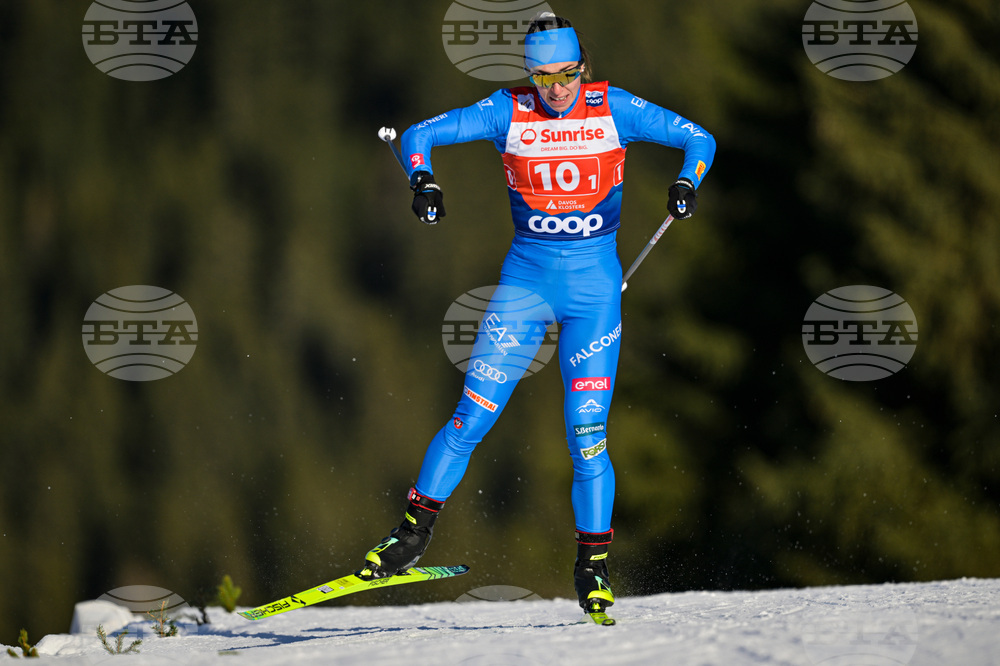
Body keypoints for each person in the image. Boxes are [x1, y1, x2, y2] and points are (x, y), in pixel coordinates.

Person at [360, 12, 716, 617]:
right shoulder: (507, 110)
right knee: (471, 414)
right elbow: (417, 134)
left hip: (593, 295)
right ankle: (411, 535)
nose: (556, 89)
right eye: (543, 76)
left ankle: (594, 566)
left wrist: (687, 182)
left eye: (567, 74)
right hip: (525, 287)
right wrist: (422, 182)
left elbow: (699, 139)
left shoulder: (614, 108)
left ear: (585, 67)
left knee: (586, 436)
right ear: (529, 74)